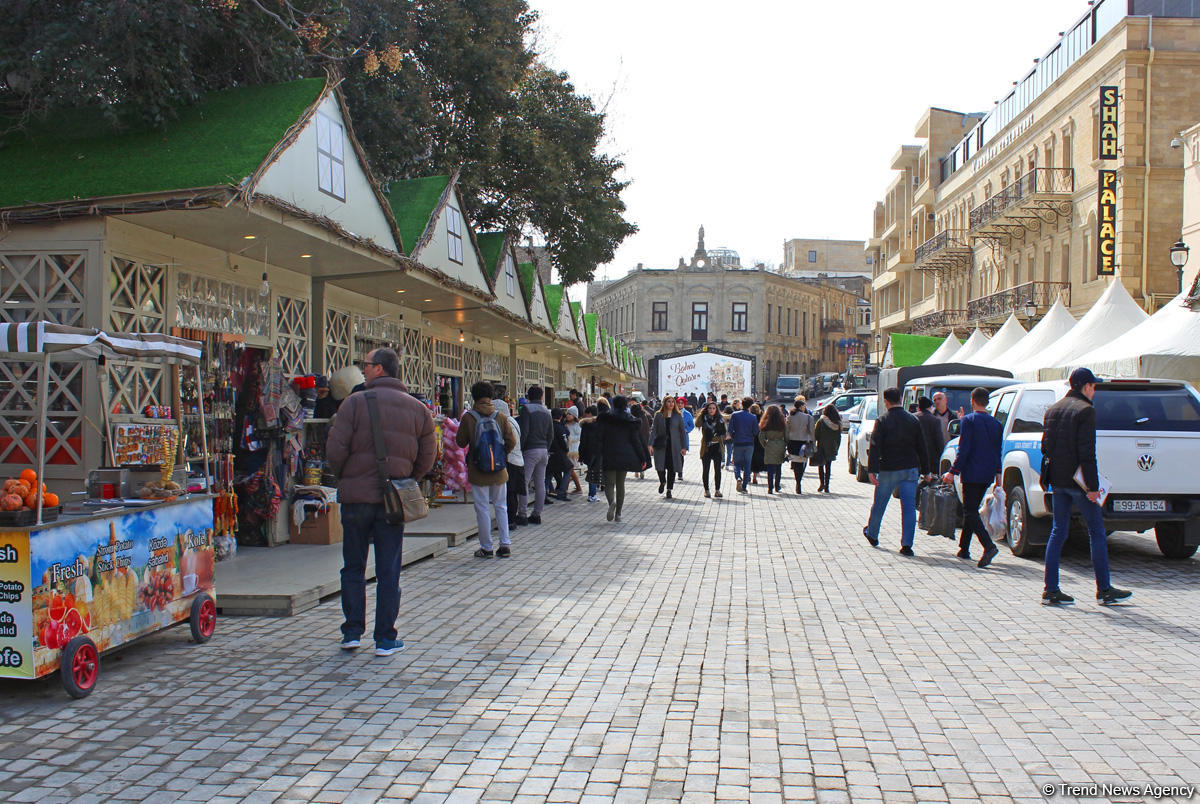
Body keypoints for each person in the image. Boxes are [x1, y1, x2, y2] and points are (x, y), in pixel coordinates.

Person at [326, 348, 436, 656]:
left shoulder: (353, 404)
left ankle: (351, 631)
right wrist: (403, 479)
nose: (363, 370)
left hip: (356, 498)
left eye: (367, 365)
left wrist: (347, 476)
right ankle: (385, 637)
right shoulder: (418, 409)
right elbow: (428, 456)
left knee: (353, 565)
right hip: (393, 500)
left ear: (380, 369)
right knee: (389, 568)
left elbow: (335, 449)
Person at [1040, 368, 1131, 606]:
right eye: (1094, 386)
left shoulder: (1053, 410)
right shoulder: (1086, 411)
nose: (1095, 391)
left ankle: (1050, 588)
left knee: (1058, 532)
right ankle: (1104, 589)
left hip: (1058, 481)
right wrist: (1092, 487)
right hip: (1079, 483)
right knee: (1096, 532)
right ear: (1086, 386)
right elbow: (1087, 453)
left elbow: (1045, 448)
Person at [863, 387, 931, 555]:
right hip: (910, 469)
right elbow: (922, 447)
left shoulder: (882, 420)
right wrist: (927, 471)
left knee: (879, 504)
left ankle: (873, 534)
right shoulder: (913, 420)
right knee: (908, 507)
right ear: (901, 399)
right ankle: (907, 545)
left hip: (888, 469)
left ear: (886, 402)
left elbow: (875, 447)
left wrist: (872, 470)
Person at [457, 381, 519, 559]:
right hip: (499, 471)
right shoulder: (500, 416)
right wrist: (500, 454)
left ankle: (486, 547)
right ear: (491, 396)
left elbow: (460, 442)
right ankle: (505, 544)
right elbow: (512, 441)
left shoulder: (469, 417)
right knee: (501, 506)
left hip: (478, 470)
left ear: (474, 396)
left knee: (482, 508)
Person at [942, 387, 1002, 568]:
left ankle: (988, 546)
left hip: (972, 472)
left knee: (969, 511)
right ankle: (964, 547)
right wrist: (998, 474)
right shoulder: (996, 424)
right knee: (972, 508)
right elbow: (997, 451)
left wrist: (953, 472)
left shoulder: (968, 421)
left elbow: (964, 449)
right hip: (987, 473)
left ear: (972, 401)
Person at [597, 395, 650, 522]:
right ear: (626, 405)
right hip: (626, 455)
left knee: (609, 483)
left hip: (609, 453)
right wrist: (643, 458)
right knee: (621, 484)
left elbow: (599, 437)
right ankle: (619, 513)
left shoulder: (605, 418)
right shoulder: (631, 420)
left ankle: (611, 503)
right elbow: (636, 441)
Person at [518, 385, 553, 525]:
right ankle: (537, 514)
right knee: (540, 482)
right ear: (541, 396)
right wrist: (546, 447)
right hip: (544, 450)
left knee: (524, 482)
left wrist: (520, 448)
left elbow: (524, 432)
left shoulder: (527, 409)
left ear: (528, 396)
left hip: (530, 450)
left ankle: (522, 514)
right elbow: (551, 434)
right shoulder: (547, 412)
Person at [493, 399, 526, 528]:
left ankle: (510, 520)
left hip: (511, 460)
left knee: (509, 492)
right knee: (511, 493)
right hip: (517, 459)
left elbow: (507, 442)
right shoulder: (513, 421)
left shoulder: (505, 422)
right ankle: (510, 519)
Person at [650, 397, 687, 499]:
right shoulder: (658, 415)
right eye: (668, 402)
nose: (671, 404)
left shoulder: (678, 416)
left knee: (672, 468)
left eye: (672, 402)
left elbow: (682, 432)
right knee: (660, 467)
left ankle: (669, 489)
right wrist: (650, 444)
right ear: (664, 403)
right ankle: (662, 481)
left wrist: (684, 446)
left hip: (674, 446)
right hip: (661, 445)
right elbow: (654, 430)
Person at [728, 396, 759, 494]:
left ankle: (738, 477)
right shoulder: (753, 417)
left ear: (742, 403)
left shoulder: (734, 415)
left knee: (736, 463)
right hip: (749, 443)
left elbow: (730, 429)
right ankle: (744, 487)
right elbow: (756, 431)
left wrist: (734, 436)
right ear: (751, 405)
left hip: (738, 442)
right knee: (747, 465)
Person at [785, 396, 815, 494]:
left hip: (792, 442)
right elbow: (812, 432)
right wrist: (813, 444)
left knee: (796, 462)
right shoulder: (807, 417)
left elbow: (786, 430)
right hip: (803, 442)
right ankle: (799, 481)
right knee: (802, 462)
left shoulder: (789, 417)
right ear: (801, 407)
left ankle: (797, 480)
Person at [698, 400, 726, 499]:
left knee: (717, 470)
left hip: (717, 446)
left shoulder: (720, 419)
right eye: (709, 408)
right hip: (706, 447)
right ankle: (706, 490)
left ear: (716, 409)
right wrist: (702, 413)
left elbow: (724, 432)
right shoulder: (704, 418)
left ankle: (717, 490)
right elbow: (697, 424)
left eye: (713, 408)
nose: (711, 410)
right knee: (706, 469)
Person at [811, 405, 842, 493]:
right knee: (828, 467)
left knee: (821, 465)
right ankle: (827, 486)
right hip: (832, 447)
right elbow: (839, 437)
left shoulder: (821, 421)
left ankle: (822, 484)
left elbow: (816, 434)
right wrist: (837, 447)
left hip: (821, 446)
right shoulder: (837, 423)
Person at [758, 404, 787, 494]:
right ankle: (777, 486)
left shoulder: (765, 423)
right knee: (778, 467)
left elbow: (761, 436)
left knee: (770, 468)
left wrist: (765, 445)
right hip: (780, 445)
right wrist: (785, 445)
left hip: (770, 445)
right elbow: (787, 436)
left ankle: (770, 487)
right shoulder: (782, 422)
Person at [578, 404, 603, 502]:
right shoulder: (601, 425)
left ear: (589, 414)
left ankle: (591, 494)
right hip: (599, 452)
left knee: (591, 472)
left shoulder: (586, 426)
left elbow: (583, 441)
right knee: (594, 473)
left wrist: (581, 455)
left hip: (588, 452)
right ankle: (592, 494)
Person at [547, 407, 572, 502]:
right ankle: (561, 492)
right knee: (568, 469)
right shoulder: (560, 427)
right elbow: (564, 441)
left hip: (549, 452)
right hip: (559, 453)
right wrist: (566, 449)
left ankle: (545, 493)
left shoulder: (548, 426)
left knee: (548, 473)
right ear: (561, 416)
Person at [630, 401, 652, 479]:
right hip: (644, 439)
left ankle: (637, 471)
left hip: (635, 439)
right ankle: (641, 471)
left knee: (636, 454)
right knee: (643, 455)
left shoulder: (632, 418)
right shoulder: (645, 416)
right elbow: (648, 427)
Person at [565, 407, 583, 494]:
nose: (567, 415)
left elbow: (580, 436)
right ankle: (568, 488)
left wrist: (570, 438)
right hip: (567, 449)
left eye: (570, 414)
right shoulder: (566, 424)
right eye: (567, 413)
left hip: (573, 450)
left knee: (569, 470)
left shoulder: (577, 425)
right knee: (570, 470)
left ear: (574, 416)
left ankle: (565, 488)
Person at [748, 403, 765, 485]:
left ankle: (747, 475)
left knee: (748, 459)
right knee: (757, 460)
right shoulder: (761, 418)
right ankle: (755, 477)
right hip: (758, 441)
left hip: (750, 440)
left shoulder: (749, 418)